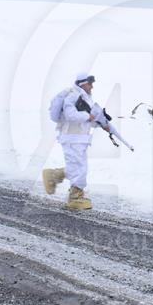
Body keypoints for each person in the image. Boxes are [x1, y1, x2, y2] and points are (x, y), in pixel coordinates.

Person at [42, 73, 112, 210]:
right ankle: (75, 198)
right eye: (90, 83)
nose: (92, 86)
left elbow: (88, 121)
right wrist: (88, 116)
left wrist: (101, 125)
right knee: (80, 168)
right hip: (71, 137)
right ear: (82, 83)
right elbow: (70, 115)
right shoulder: (73, 95)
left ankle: (53, 175)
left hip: (80, 138)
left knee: (78, 167)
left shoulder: (86, 98)